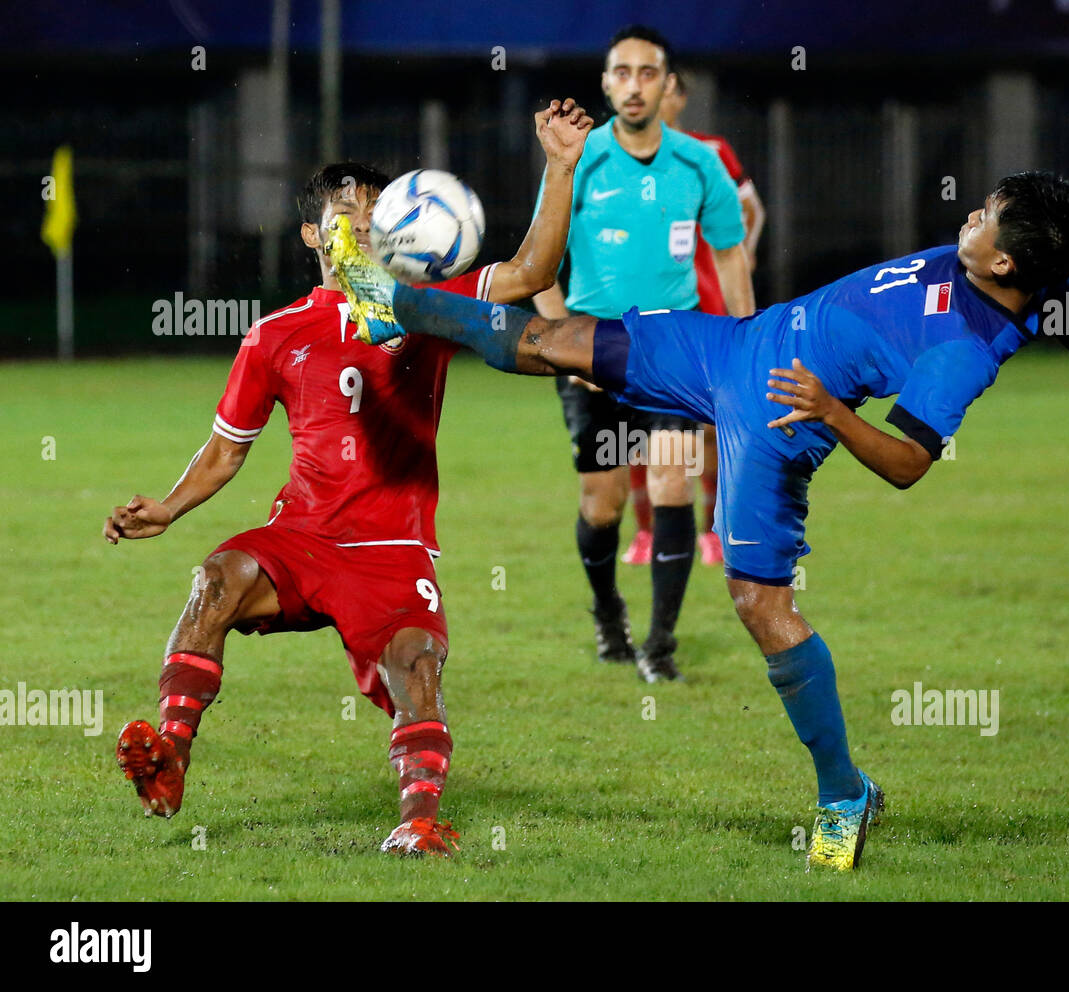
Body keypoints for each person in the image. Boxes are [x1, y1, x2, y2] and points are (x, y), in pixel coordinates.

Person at [326, 170, 1069, 870]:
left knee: (758, 603)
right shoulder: (1038, 286)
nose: (968, 215)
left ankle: (843, 795)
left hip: (778, 412)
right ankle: (387, 301)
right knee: (550, 342)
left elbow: (904, 465)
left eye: (983, 217)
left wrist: (827, 408)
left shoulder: (961, 355)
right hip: (740, 342)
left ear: (1005, 261)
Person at [103, 98, 594, 857]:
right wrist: (167, 509)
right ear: (311, 232)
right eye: (345, 211)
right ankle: (170, 755)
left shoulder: (424, 307)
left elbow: (533, 268)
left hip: (391, 545)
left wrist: (560, 165)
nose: (361, 224)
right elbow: (227, 448)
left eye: (375, 211)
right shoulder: (275, 334)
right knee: (215, 579)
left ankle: (421, 822)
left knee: (415, 667)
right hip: (301, 536)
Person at [531, 25, 756, 683]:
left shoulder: (699, 164)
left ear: (668, 85)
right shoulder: (579, 162)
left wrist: (742, 344)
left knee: (670, 483)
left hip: (673, 352)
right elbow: (537, 267)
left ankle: (659, 647)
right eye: (621, 73)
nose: (633, 85)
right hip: (593, 353)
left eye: (647, 73)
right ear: (606, 84)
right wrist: (571, 345)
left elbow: (731, 254)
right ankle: (609, 618)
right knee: (602, 505)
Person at [622, 68, 766, 568]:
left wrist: (737, 263)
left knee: (708, 426)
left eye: (664, 86)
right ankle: (646, 531)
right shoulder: (618, 156)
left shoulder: (710, 152)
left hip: (707, 309)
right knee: (641, 428)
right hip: (644, 314)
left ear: (679, 97)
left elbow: (753, 212)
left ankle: (711, 530)